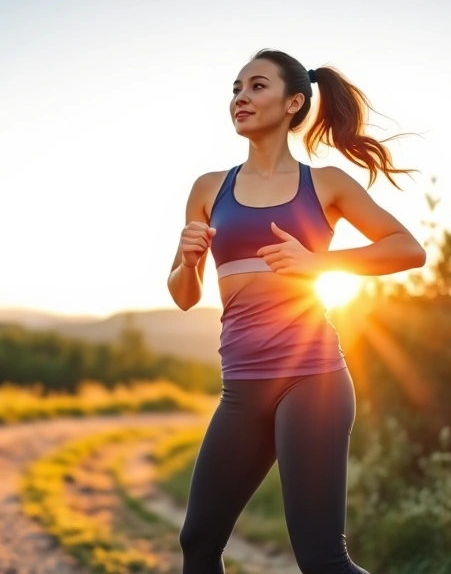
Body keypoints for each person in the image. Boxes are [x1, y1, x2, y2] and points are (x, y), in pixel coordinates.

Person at [167, 48, 427, 574]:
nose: (241, 97)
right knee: (198, 542)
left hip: (312, 380)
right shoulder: (208, 188)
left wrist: (317, 263)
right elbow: (184, 295)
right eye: (236, 88)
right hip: (241, 386)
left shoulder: (325, 183)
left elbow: (407, 248)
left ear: (293, 103)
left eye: (256, 86)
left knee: (322, 560)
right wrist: (190, 259)